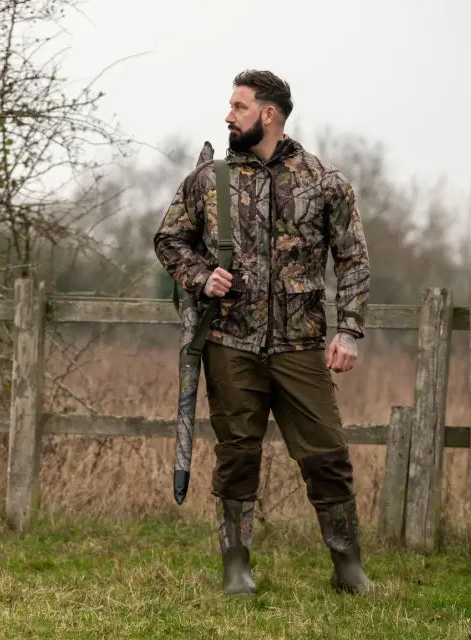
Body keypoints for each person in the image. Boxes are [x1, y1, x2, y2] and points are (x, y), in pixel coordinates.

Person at [153, 70, 372, 595]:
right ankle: (236, 570)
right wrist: (202, 278)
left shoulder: (324, 182)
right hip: (230, 343)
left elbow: (353, 259)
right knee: (237, 457)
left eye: (238, 106)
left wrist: (349, 331)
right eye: (230, 107)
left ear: (267, 115)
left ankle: (349, 569)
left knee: (327, 457)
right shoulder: (210, 181)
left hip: (300, 346)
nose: (228, 115)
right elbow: (168, 241)